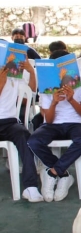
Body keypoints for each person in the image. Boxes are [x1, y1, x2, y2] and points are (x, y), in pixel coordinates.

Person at [27, 50, 81, 202]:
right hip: (53, 124)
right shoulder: (46, 86)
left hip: (76, 123)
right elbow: (48, 120)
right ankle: (64, 175)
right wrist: (54, 102)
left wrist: (71, 100)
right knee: (33, 141)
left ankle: (53, 172)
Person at [0, 59, 43, 202]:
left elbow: (30, 94)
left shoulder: (14, 75)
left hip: (9, 122)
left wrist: (31, 71)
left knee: (25, 136)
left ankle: (30, 187)